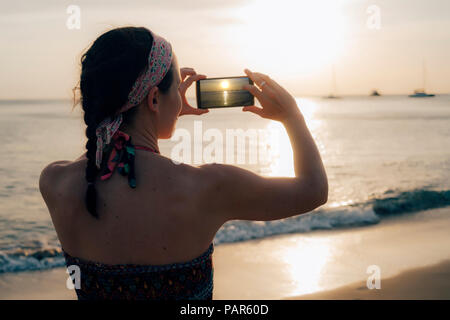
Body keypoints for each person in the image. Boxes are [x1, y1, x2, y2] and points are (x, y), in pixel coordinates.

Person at [38, 26, 328, 300]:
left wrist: (165, 111)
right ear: (153, 98)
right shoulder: (208, 188)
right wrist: (292, 117)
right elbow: (313, 190)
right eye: (176, 87)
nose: (181, 95)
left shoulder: (55, 183)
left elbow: (126, 158)